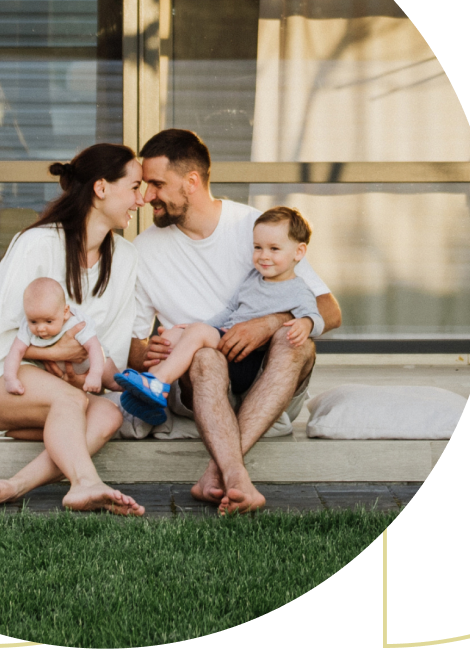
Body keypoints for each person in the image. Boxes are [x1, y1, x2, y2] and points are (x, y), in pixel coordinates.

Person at [128, 130, 342, 514]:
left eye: (157, 184)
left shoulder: (257, 228)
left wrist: (269, 322)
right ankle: (239, 479)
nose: (146, 197)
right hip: (201, 382)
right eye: (145, 185)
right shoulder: (143, 251)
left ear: (191, 182)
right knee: (204, 357)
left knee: (296, 340)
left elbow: (329, 310)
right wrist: (151, 352)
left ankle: (217, 471)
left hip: (269, 379)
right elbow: (132, 347)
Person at [0, 143, 147, 515]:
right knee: (71, 402)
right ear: (101, 188)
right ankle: (85, 483)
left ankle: (13, 486)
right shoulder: (38, 244)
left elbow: (108, 354)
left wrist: (138, 383)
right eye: (134, 187)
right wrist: (56, 353)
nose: (142, 199)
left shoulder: (126, 259)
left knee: (108, 414)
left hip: (57, 386)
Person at [116, 207, 323, 423]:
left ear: (298, 252)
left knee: (195, 332)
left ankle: (159, 381)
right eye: (258, 247)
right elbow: (229, 311)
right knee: (171, 336)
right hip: (226, 339)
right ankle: (156, 396)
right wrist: (191, 330)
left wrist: (307, 323)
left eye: (274, 249)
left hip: (247, 359)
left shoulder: (299, 290)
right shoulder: (253, 278)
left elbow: (318, 319)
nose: (263, 256)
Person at [4, 277, 113, 396]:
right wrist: (10, 379)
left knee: (113, 381)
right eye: (34, 322)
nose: (40, 328)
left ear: (65, 312)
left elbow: (94, 347)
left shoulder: (75, 323)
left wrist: (95, 374)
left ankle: (127, 386)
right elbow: (16, 351)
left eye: (49, 321)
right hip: (66, 377)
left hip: (94, 363)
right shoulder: (27, 326)